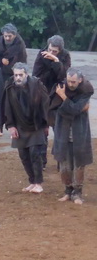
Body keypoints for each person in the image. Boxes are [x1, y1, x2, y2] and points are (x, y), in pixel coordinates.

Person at [0, 62, 50, 193]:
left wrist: (46, 124)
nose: (18, 78)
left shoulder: (37, 85)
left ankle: (39, 183)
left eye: (20, 75)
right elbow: (6, 106)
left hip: (36, 124)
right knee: (24, 155)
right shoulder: (9, 86)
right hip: (19, 125)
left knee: (35, 154)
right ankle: (32, 181)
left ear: (26, 74)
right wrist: (10, 125)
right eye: (15, 75)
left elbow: (45, 105)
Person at [49, 68, 93, 204]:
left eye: (73, 82)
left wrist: (64, 98)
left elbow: (72, 109)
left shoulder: (86, 91)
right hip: (63, 132)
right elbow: (57, 109)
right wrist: (75, 109)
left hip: (79, 132)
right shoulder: (60, 87)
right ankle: (68, 191)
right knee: (64, 166)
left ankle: (77, 193)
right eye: (69, 81)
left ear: (80, 80)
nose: (70, 84)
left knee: (79, 165)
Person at [0, 23, 27, 136]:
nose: (8, 38)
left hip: (16, 75)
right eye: (6, 36)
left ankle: (18, 127)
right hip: (3, 72)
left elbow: (23, 62)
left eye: (10, 36)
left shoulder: (20, 44)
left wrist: (17, 74)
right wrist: (1, 60)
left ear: (14, 35)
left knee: (16, 100)